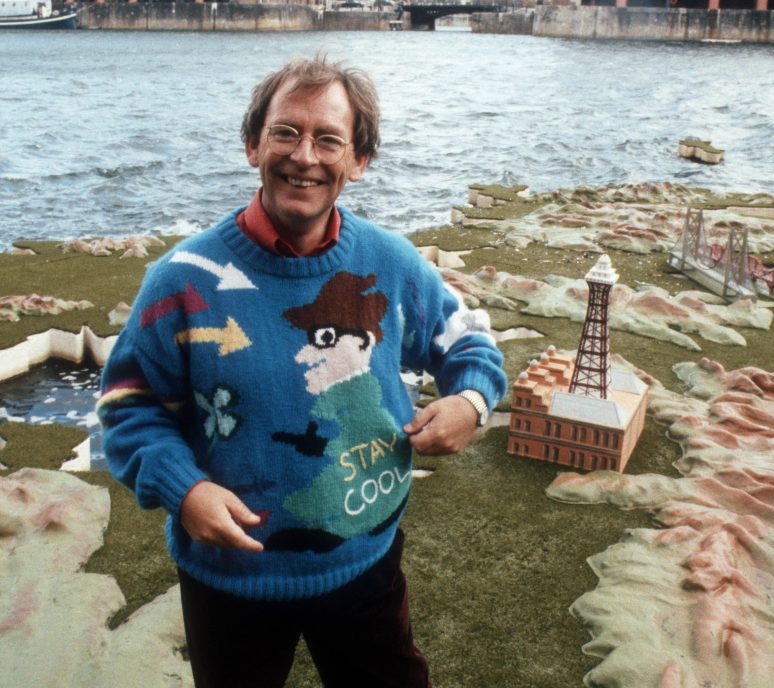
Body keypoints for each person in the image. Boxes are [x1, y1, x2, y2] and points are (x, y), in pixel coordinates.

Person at [97, 54, 506, 688]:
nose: (304, 156)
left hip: (365, 556)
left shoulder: (390, 263)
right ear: (252, 144)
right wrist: (183, 489)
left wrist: (471, 402)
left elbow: (469, 343)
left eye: (329, 139)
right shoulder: (182, 279)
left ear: (358, 161)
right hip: (230, 576)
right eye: (286, 131)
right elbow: (127, 405)